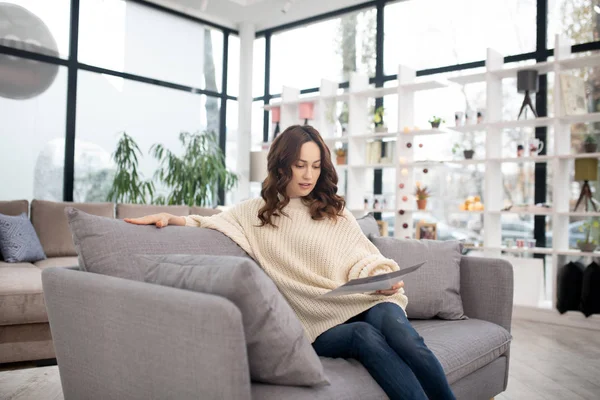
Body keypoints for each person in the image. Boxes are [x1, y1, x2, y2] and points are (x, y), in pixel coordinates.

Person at [125, 125, 456, 400]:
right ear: (282, 164)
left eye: (315, 165)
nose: (309, 174)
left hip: (363, 299)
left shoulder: (333, 210)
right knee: (364, 337)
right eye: (300, 165)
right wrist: (171, 218)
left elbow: (365, 257)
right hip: (317, 323)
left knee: (403, 335)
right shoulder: (255, 213)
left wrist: (383, 279)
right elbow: (208, 221)